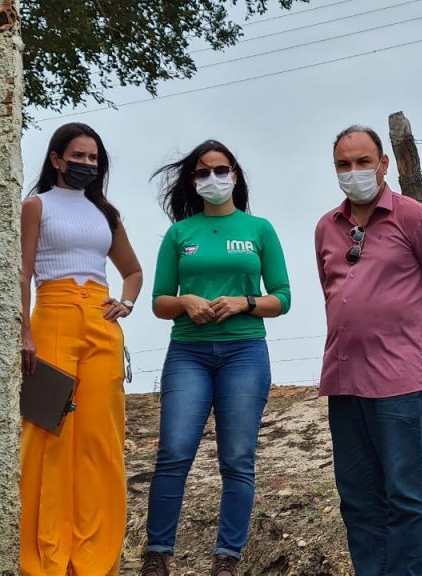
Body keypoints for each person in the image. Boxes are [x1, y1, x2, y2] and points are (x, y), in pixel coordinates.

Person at [314, 125, 422, 576]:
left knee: (406, 494)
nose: (354, 171)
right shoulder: (327, 227)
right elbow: (332, 293)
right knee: (358, 497)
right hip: (343, 381)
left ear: (384, 164)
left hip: (399, 382)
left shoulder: (414, 218)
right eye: (344, 164)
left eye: (363, 162)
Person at [139, 140, 291, 576]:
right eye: (202, 172)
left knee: (238, 457)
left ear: (235, 175)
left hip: (245, 351)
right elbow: (159, 302)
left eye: (220, 170)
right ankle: (157, 553)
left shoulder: (260, 229)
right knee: (174, 451)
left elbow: (282, 298)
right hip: (188, 351)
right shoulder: (179, 234)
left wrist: (245, 301)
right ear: (193, 181)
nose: (213, 179)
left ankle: (228, 558)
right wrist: (186, 301)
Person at [19, 122, 143, 575]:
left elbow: (132, 269)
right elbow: (23, 270)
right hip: (52, 313)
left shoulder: (104, 213)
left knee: (99, 436)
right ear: (56, 158)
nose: (86, 164)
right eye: (78, 155)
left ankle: (93, 557)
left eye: (93, 158)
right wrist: (23, 331)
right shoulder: (35, 206)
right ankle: (46, 555)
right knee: (48, 433)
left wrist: (125, 303)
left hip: (100, 319)